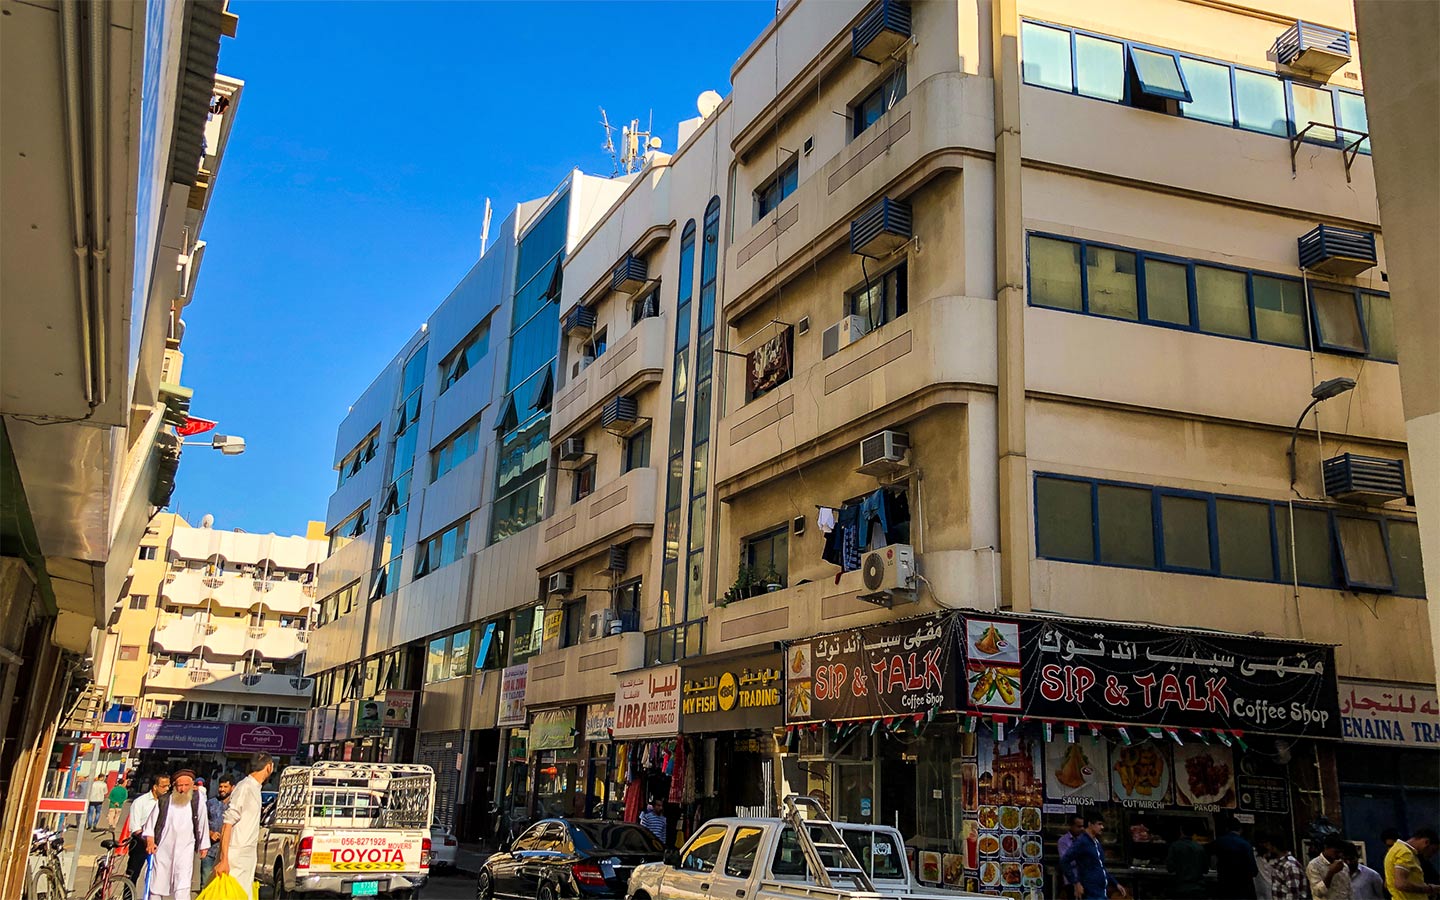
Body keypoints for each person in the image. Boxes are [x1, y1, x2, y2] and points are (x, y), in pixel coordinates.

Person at [216, 752, 276, 900]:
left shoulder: (255, 788)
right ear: (269, 767)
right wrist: (224, 859)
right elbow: (227, 823)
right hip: (236, 855)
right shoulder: (245, 787)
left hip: (246, 855)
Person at [144, 770, 209, 900]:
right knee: (157, 883)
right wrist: (150, 842)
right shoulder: (164, 800)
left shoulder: (197, 800)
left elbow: (203, 822)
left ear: (192, 785)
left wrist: (204, 846)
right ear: (174, 785)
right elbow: (150, 825)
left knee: (183, 885)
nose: (183, 789)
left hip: (185, 850)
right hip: (163, 850)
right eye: (180, 785)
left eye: (186, 785)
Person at [1061, 813, 1128, 899]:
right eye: (1099, 824)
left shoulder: (1096, 842)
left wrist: (1116, 883)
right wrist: (1076, 883)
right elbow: (1064, 861)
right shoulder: (1081, 842)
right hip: (1090, 893)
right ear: (1090, 824)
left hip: (1101, 892)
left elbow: (1100, 867)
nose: (1102, 827)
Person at [127, 774, 171, 887]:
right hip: (140, 842)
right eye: (164, 786)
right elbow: (135, 827)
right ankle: (128, 894)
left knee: (156, 876)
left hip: (160, 843)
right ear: (155, 787)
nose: (167, 789)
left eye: (168, 786)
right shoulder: (140, 802)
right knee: (132, 874)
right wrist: (147, 839)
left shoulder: (169, 803)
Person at [1211, 817, 1261, 899]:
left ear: (1227, 829)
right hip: (1243, 887)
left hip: (1225, 885)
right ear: (1240, 830)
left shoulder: (1219, 842)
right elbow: (1253, 870)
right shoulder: (1246, 844)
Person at [1385, 827, 1440, 900]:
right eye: (1432, 851)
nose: (1430, 855)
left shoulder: (1396, 849)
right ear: (1426, 842)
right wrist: (1430, 889)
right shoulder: (1405, 853)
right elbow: (1401, 884)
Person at [199, 774, 234, 886]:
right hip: (210, 850)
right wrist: (210, 833)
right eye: (220, 787)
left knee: (224, 884)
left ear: (232, 788)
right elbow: (201, 823)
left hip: (228, 851)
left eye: (225, 787)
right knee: (206, 882)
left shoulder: (235, 805)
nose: (222, 789)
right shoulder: (211, 803)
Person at [1257, 834, 1307, 900]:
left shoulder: (1290, 866)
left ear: (1274, 847)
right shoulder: (1280, 864)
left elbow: (1293, 894)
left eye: (1268, 846)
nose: (1267, 850)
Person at [1166, 823, 1211, 898]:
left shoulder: (1175, 846)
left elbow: (1170, 868)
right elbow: (1205, 870)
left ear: (1181, 831)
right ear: (1193, 834)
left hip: (1181, 888)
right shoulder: (1200, 848)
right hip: (1198, 889)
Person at [1308, 834, 1354, 899]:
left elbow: (1349, 891)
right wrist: (1331, 873)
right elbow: (1318, 892)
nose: (1339, 855)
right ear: (1326, 847)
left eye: (1341, 852)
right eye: (1336, 852)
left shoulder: (1344, 866)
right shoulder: (1314, 865)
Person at [1057, 815, 1085, 892]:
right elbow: (1066, 861)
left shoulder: (1084, 839)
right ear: (1071, 826)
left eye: (1083, 826)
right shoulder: (1063, 841)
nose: (1082, 829)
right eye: (1079, 826)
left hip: (1085, 880)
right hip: (1071, 880)